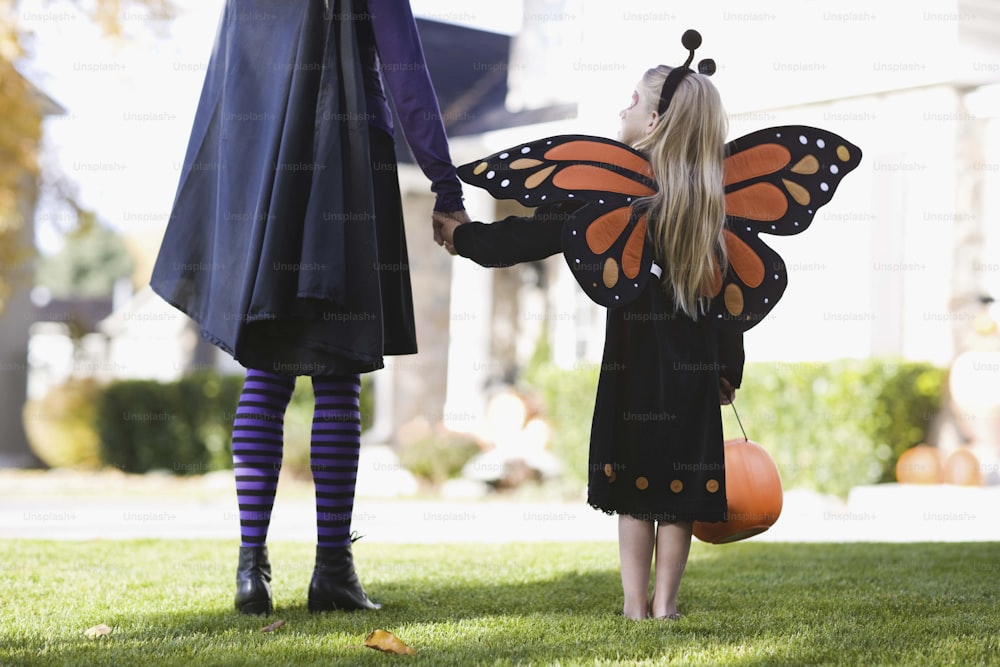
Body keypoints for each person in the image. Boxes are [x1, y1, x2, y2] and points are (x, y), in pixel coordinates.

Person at [150, 0, 468, 615]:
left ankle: (251, 571)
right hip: (346, 165)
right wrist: (445, 185)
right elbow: (406, 71)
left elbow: (227, 85)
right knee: (337, 379)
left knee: (266, 376)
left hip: (267, 173)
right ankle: (332, 571)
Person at [435, 63, 744, 620]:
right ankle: (666, 605)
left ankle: (634, 605)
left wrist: (465, 237)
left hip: (634, 364)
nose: (620, 110)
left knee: (634, 485)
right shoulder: (710, 202)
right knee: (678, 493)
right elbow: (728, 306)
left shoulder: (607, 188)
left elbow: (530, 233)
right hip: (694, 373)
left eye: (631, 101)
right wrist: (729, 371)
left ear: (654, 120)